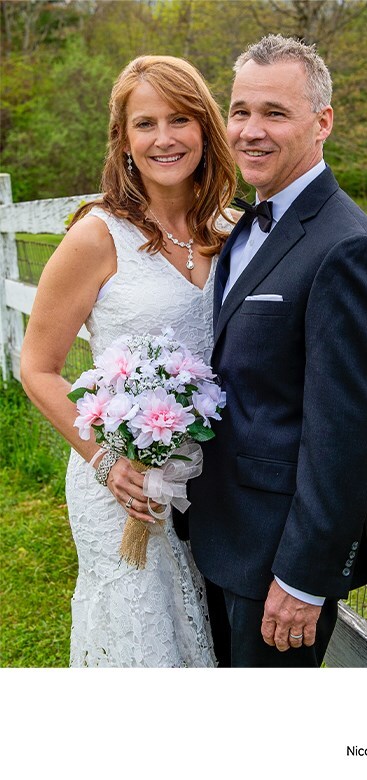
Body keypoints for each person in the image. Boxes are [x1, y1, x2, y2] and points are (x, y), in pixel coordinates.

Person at [188, 34, 367, 667]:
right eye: (240, 111)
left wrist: (305, 577)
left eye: (275, 113)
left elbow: (348, 430)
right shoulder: (245, 228)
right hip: (219, 532)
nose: (251, 131)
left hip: (276, 558)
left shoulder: (347, 248)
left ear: (322, 122)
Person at [20, 55, 237, 667]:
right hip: (124, 484)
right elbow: (37, 367)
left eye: (180, 119)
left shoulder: (232, 230)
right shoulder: (96, 236)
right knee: (145, 643)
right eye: (145, 123)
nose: (164, 138)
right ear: (123, 139)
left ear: (206, 129)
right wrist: (107, 461)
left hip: (213, 481)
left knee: (208, 638)